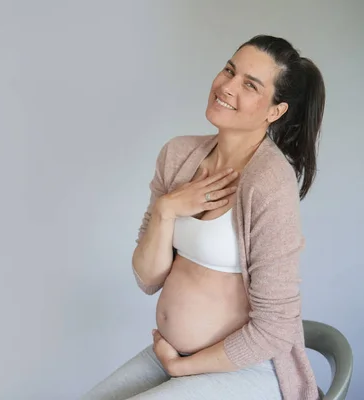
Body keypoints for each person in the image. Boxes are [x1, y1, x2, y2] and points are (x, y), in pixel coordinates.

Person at [82, 35, 325, 400]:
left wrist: (183, 368)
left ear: (274, 111)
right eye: (229, 70)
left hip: (247, 370)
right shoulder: (178, 155)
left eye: (249, 84)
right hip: (171, 355)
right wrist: (167, 210)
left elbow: (276, 326)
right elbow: (148, 279)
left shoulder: (270, 183)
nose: (226, 86)